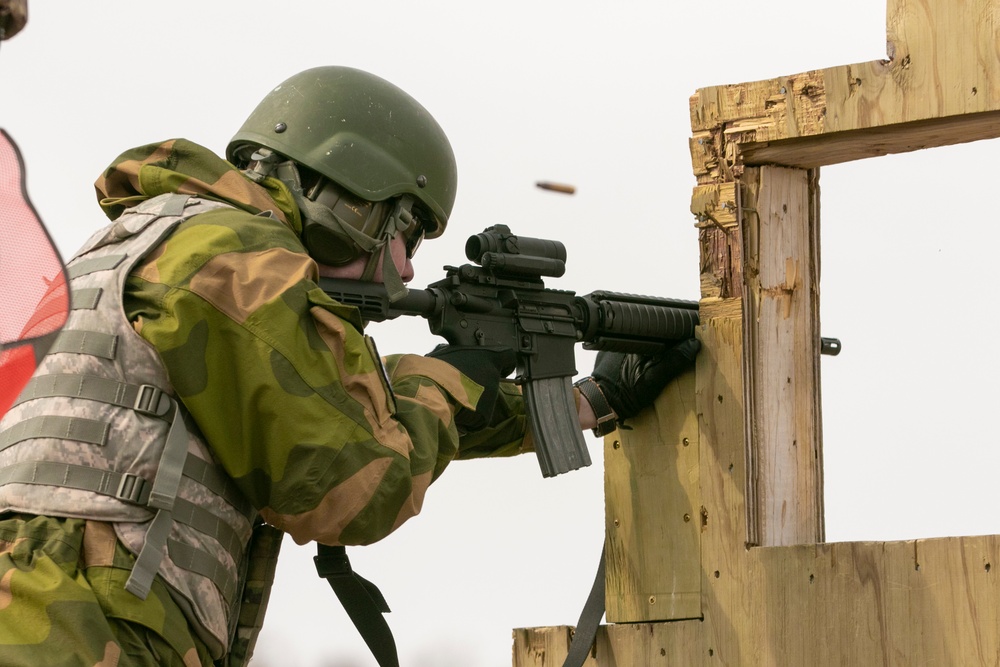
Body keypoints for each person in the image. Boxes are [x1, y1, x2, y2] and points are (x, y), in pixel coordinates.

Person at [0, 65, 699, 666]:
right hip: (73, 621)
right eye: (407, 232)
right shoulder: (236, 258)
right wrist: (457, 372)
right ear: (353, 200)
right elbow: (354, 487)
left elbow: (345, 411)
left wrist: (586, 400)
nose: (407, 266)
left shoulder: (154, 239)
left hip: (53, 609)